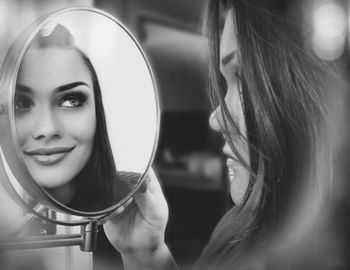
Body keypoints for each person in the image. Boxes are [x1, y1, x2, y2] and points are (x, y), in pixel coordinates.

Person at [104, 0, 332, 269]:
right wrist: (146, 253)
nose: (216, 119)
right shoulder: (236, 228)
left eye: (243, 78)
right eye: (225, 83)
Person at [14, 23, 129, 212]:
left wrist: (154, 243)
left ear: (96, 112)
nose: (46, 129)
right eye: (20, 103)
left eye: (71, 101)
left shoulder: (127, 207)